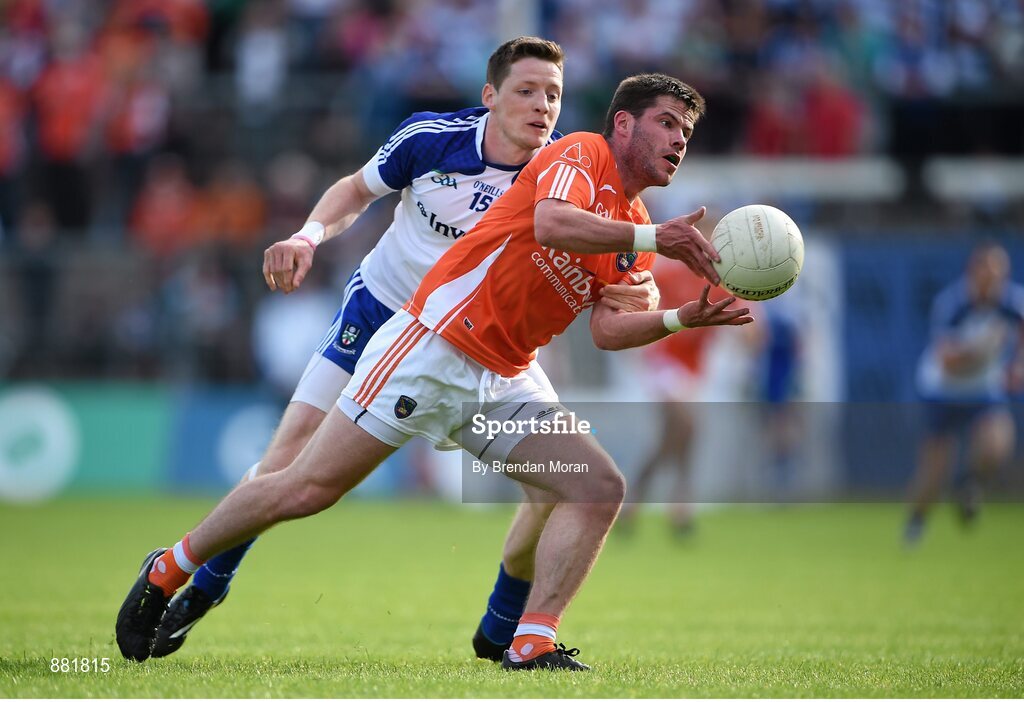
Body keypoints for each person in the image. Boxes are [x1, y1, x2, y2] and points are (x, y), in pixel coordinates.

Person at [117, 72, 753, 671]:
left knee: (594, 488)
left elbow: (609, 330)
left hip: (503, 379)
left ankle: (529, 641)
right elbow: (549, 221)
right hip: (434, 347)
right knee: (306, 487)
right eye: (667, 124)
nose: (678, 141)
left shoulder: (636, 225)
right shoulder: (580, 155)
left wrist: (680, 319)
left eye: (686, 135)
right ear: (622, 125)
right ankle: (170, 567)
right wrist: (651, 245)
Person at [905, 242, 1024, 545]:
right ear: (974, 271)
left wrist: (1017, 367)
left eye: (999, 274)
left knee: (997, 443)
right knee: (935, 469)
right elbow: (949, 363)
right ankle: (916, 522)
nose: (993, 281)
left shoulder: (1012, 303)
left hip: (984, 389)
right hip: (943, 390)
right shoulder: (953, 304)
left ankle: (968, 484)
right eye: (987, 273)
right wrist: (981, 352)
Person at [617, 258, 723, 536]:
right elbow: (644, 305)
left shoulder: (720, 284)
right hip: (663, 362)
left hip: (692, 370)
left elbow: (748, 326)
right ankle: (681, 504)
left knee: (675, 438)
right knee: (688, 425)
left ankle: (633, 500)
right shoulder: (669, 275)